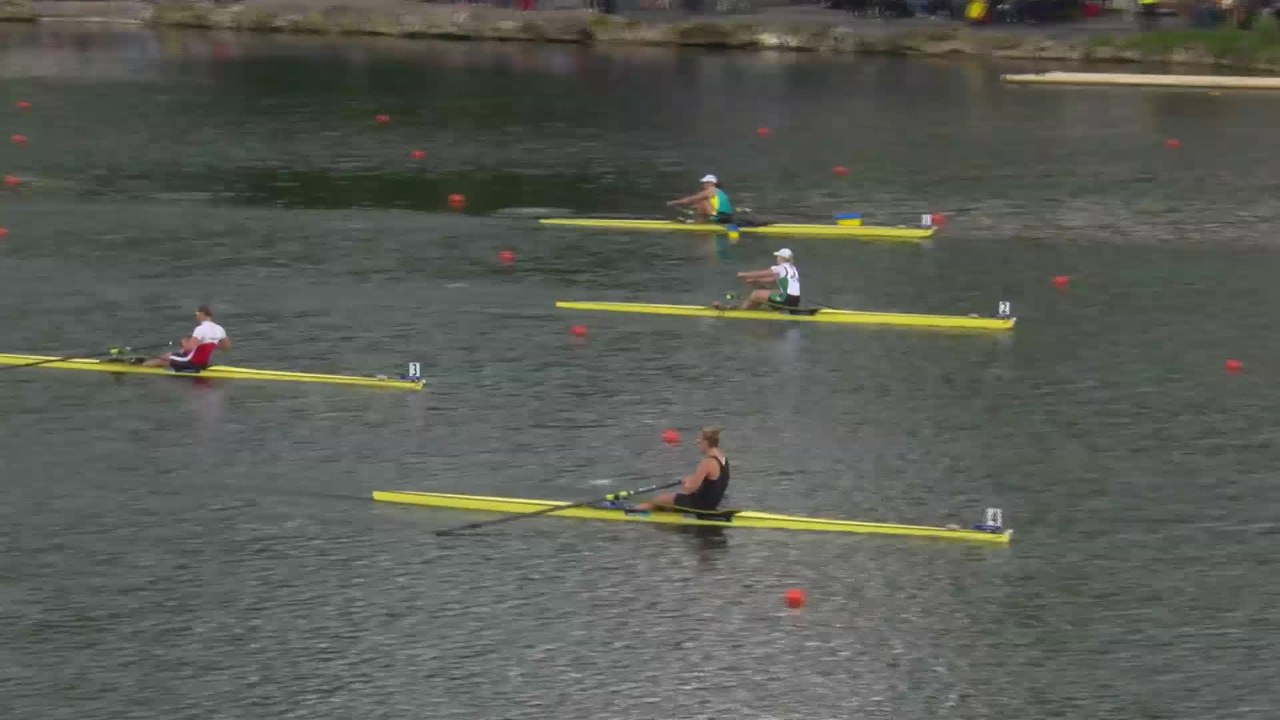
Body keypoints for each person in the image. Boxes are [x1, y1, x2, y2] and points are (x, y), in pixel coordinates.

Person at [635, 427, 729, 512]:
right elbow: (711, 482)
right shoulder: (723, 459)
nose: (697, 443)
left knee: (659, 500)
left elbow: (689, 490)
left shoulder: (708, 462)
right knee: (670, 500)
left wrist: (686, 483)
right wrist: (691, 479)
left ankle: (630, 511)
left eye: (699, 440)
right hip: (711, 505)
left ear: (706, 442)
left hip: (698, 505)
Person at [144, 305, 231, 371]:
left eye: (197, 314)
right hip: (203, 363)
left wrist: (184, 342)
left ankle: (140, 368)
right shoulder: (220, 329)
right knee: (174, 354)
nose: (196, 316)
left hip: (191, 362)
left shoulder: (200, 329)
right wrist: (209, 344)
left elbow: (189, 347)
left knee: (164, 358)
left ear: (202, 314)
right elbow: (226, 347)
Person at [735, 248, 800, 310]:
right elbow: (771, 280)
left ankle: (742, 311)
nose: (777, 258)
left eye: (778, 256)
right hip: (795, 300)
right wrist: (756, 280)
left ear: (782, 258)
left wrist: (742, 274)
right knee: (762, 289)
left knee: (756, 294)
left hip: (786, 299)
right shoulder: (793, 269)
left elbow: (761, 273)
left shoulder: (780, 268)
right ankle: (753, 308)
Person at [667, 174, 734, 224]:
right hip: (729, 218)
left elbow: (690, 199)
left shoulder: (709, 191)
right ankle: (700, 222)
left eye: (705, 182)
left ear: (711, 183)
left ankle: (698, 224)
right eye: (703, 183)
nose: (703, 184)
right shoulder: (719, 191)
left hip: (719, 218)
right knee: (701, 202)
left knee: (702, 201)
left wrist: (674, 202)